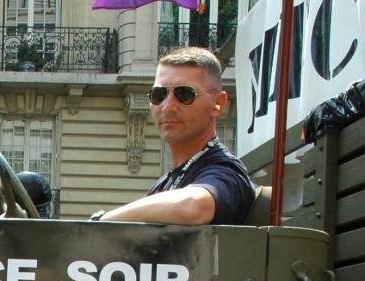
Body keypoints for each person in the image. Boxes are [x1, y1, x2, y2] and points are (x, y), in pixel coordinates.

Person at [91, 47, 255, 225]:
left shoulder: (226, 171)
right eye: (158, 94)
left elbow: (194, 206)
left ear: (218, 104)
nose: (168, 106)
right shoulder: (164, 184)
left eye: (184, 94)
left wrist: (104, 220)